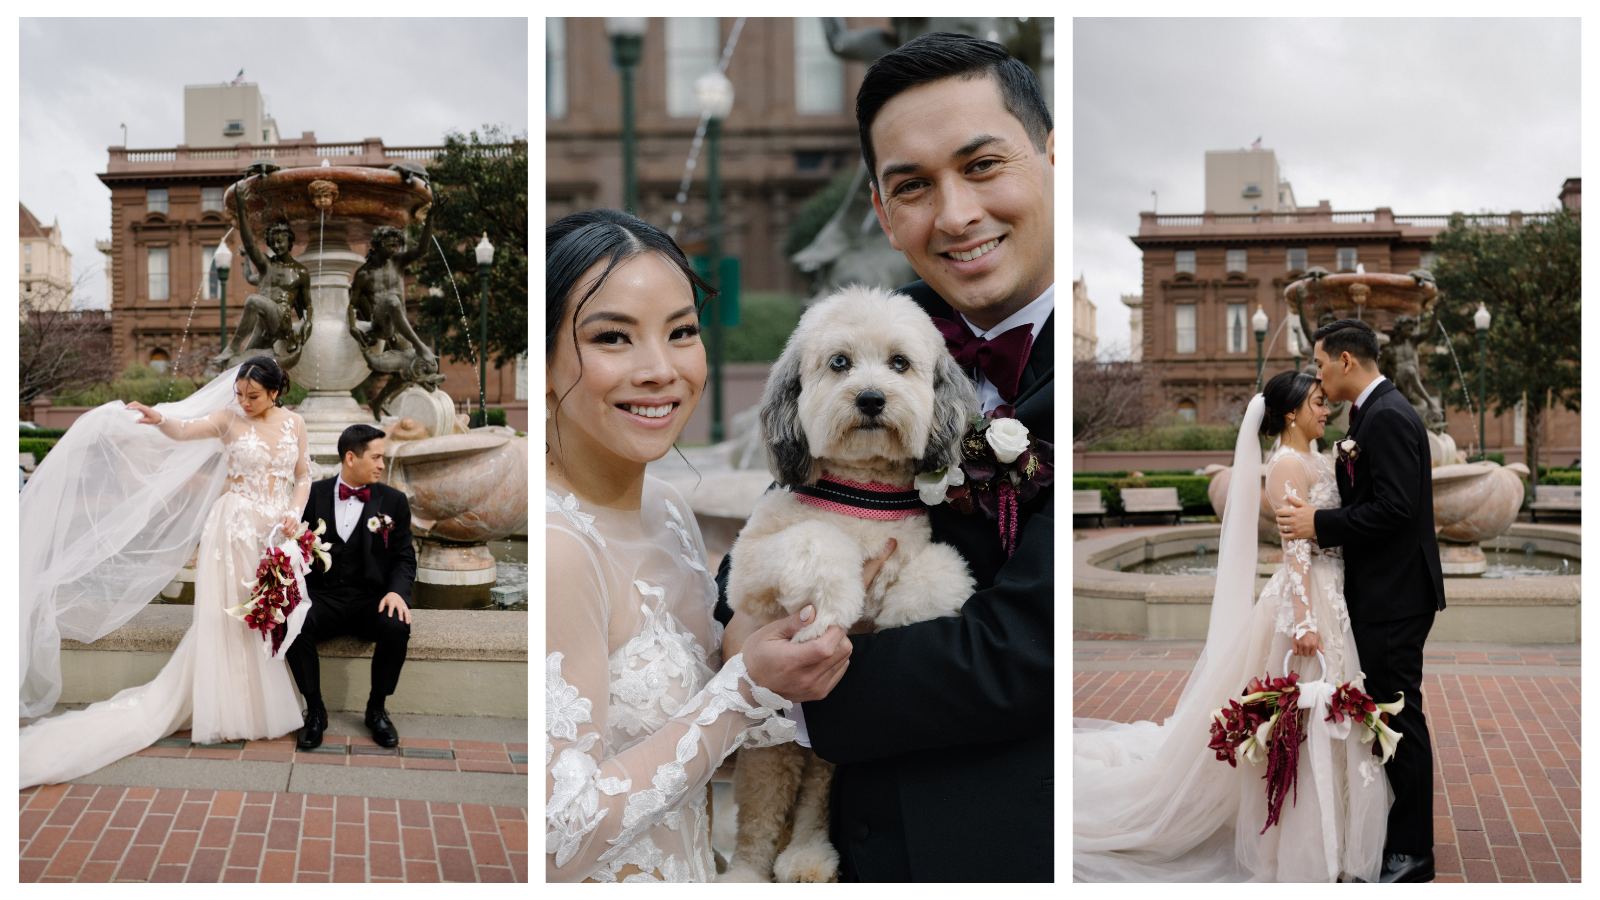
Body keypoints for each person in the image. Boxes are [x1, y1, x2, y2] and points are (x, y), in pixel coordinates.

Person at [718, 32, 1055, 881]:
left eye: (982, 165)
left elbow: (1028, 654)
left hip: (994, 843)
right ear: (880, 208)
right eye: (913, 185)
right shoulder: (869, 323)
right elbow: (785, 509)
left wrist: (778, 683)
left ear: (1054, 154)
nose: (954, 215)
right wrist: (735, 630)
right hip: (838, 843)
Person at [544, 209, 877, 882]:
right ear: (544, 358)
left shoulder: (670, 510)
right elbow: (555, 840)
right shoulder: (558, 549)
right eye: (613, 337)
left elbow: (687, 739)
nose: (661, 370)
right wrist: (745, 689)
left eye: (682, 333)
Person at [1075, 372, 1391, 881]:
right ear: (1290, 413)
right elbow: (1294, 549)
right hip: (1305, 600)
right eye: (1316, 402)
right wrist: (1306, 619)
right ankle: (1297, 837)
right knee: (1304, 714)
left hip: (1334, 589)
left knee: (1325, 710)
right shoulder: (1287, 464)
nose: (1325, 409)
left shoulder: (1315, 456)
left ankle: (1330, 826)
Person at [20, 357, 310, 788]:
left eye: (254, 396)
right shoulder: (227, 419)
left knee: (264, 619)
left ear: (275, 392)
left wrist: (293, 514)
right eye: (240, 394)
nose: (245, 402)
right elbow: (184, 430)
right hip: (231, 530)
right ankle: (225, 711)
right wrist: (160, 419)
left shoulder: (295, 425)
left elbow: (302, 475)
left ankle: (256, 705)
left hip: (273, 535)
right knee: (228, 620)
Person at [1276, 318, 1447, 883]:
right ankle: (1392, 836)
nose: (1317, 375)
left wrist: (1318, 522)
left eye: (1321, 361)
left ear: (1347, 360)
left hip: (1395, 596)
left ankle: (1412, 853)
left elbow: (1397, 510)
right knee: (1387, 715)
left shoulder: (1389, 418)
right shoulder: (1371, 414)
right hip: (1379, 592)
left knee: (1401, 717)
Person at [286, 423, 417, 750]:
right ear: (350, 458)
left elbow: (404, 557)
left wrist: (396, 592)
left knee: (397, 624)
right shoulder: (312, 495)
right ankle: (315, 710)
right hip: (323, 597)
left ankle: (376, 709)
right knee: (292, 620)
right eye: (375, 457)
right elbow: (291, 544)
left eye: (382, 458)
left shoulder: (394, 502)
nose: (381, 465)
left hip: (371, 599)